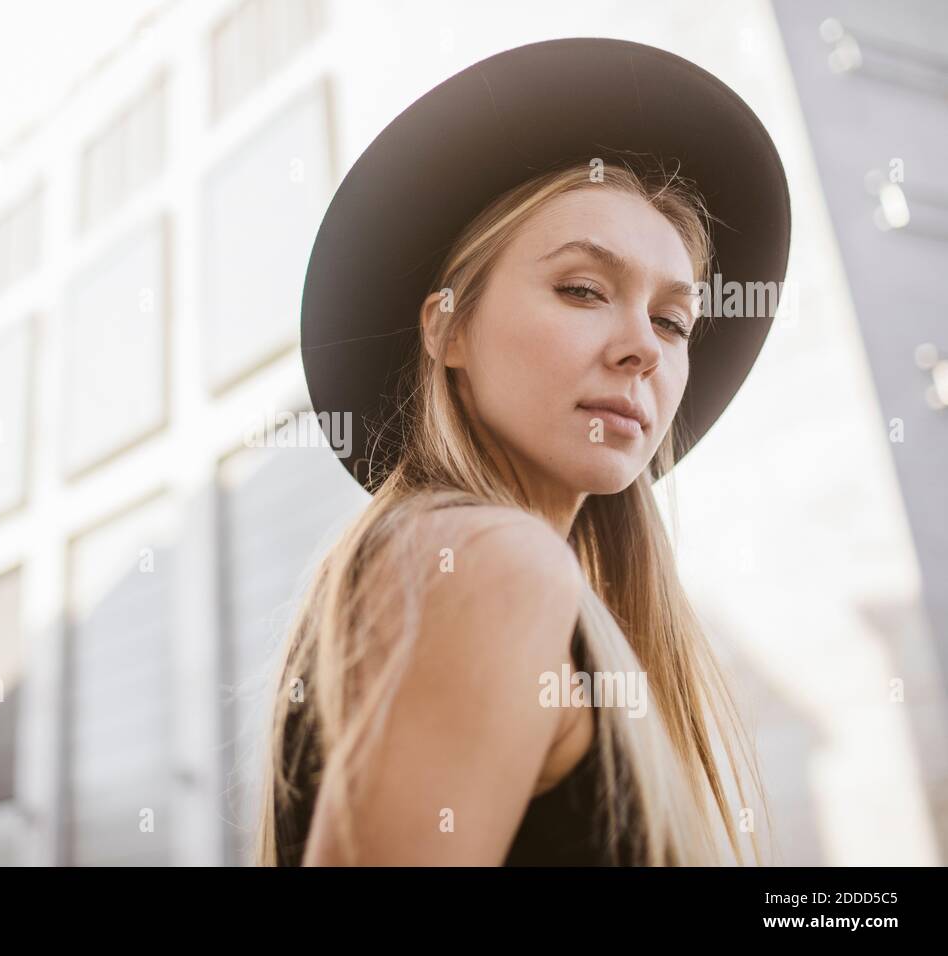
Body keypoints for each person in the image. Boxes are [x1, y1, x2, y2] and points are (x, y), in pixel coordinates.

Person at [253, 38, 792, 866]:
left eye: (673, 320)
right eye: (583, 289)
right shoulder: (488, 562)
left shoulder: (484, 571)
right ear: (449, 325)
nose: (643, 348)